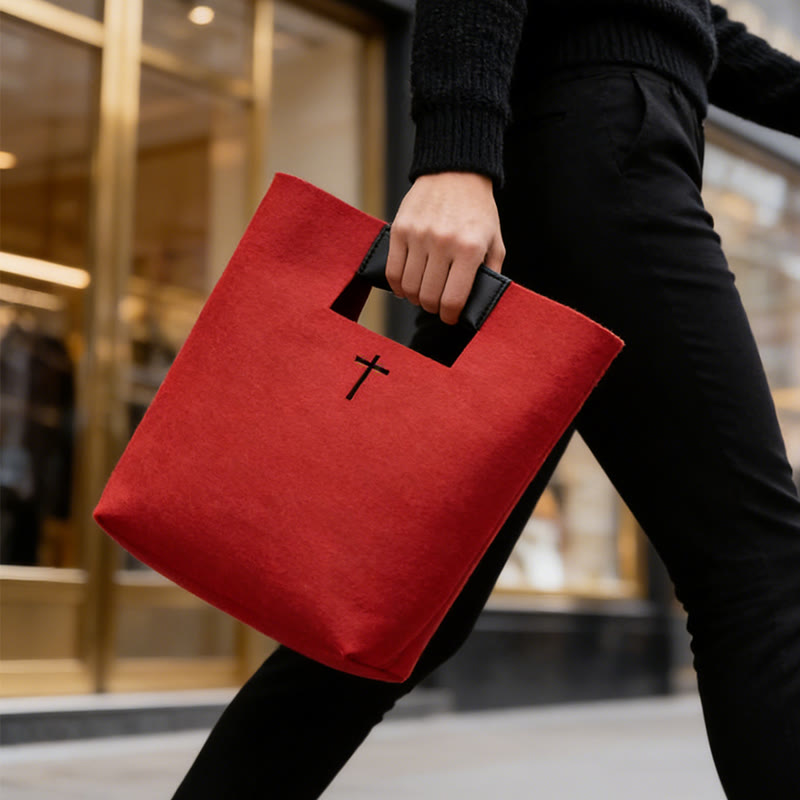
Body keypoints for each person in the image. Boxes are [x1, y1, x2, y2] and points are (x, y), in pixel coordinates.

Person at [172, 2, 800, 798]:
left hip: (588, 153)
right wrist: (453, 158)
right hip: (604, 153)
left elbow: (694, 22)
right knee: (759, 573)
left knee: (409, 598)